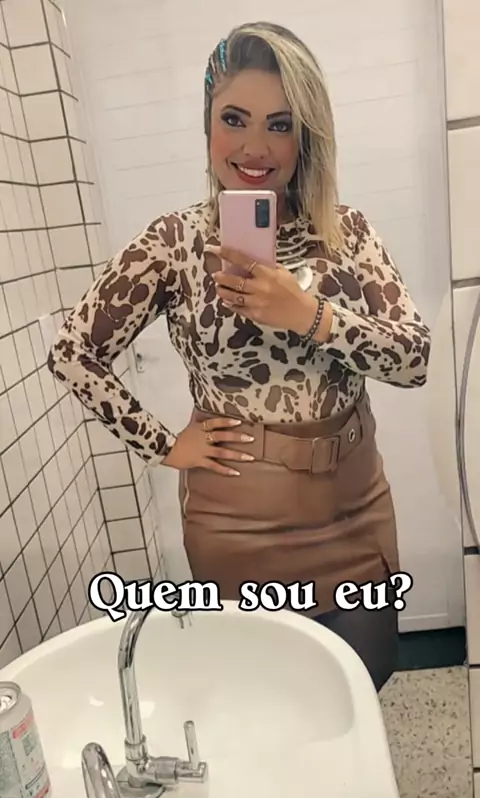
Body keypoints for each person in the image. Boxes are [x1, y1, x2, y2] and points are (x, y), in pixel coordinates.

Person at [48, 21, 431, 692]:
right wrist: (164, 445)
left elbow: (415, 359)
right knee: (265, 696)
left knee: (365, 675)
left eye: (280, 125)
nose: (255, 147)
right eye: (234, 119)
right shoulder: (174, 242)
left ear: (306, 135)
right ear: (207, 123)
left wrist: (309, 315)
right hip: (237, 522)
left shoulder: (347, 232)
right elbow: (73, 352)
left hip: (353, 509)